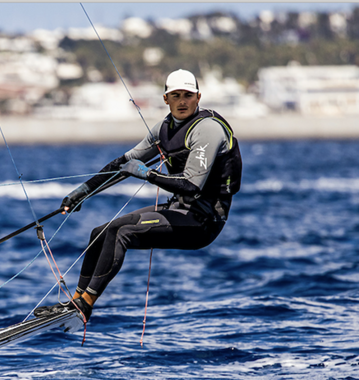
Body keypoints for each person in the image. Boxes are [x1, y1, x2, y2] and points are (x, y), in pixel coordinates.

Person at [36, 69, 242, 320]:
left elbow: (191, 185)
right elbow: (123, 163)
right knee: (99, 232)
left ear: (198, 97)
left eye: (188, 95)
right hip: (179, 209)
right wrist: (83, 192)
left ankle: (86, 304)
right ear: (166, 99)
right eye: (175, 95)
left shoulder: (207, 129)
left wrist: (148, 175)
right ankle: (76, 301)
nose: (182, 101)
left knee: (121, 232)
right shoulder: (163, 129)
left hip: (204, 221)